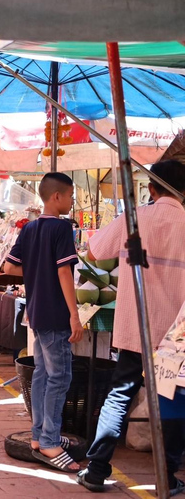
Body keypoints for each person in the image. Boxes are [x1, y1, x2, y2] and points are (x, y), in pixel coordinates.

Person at [77, 161, 185, 496]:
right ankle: (166, 477)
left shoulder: (135, 218)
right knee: (175, 398)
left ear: (151, 188)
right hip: (176, 333)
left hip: (135, 324)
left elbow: (95, 252)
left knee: (120, 393)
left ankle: (96, 471)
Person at [3, 172, 83, 473]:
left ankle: (39, 434)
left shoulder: (30, 228)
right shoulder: (62, 229)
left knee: (41, 374)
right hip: (55, 312)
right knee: (59, 376)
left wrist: (37, 274)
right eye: (71, 195)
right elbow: (65, 273)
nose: (72, 201)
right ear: (57, 196)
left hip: (36, 310)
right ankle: (49, 440)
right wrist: (74, 314)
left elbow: (11, 266)